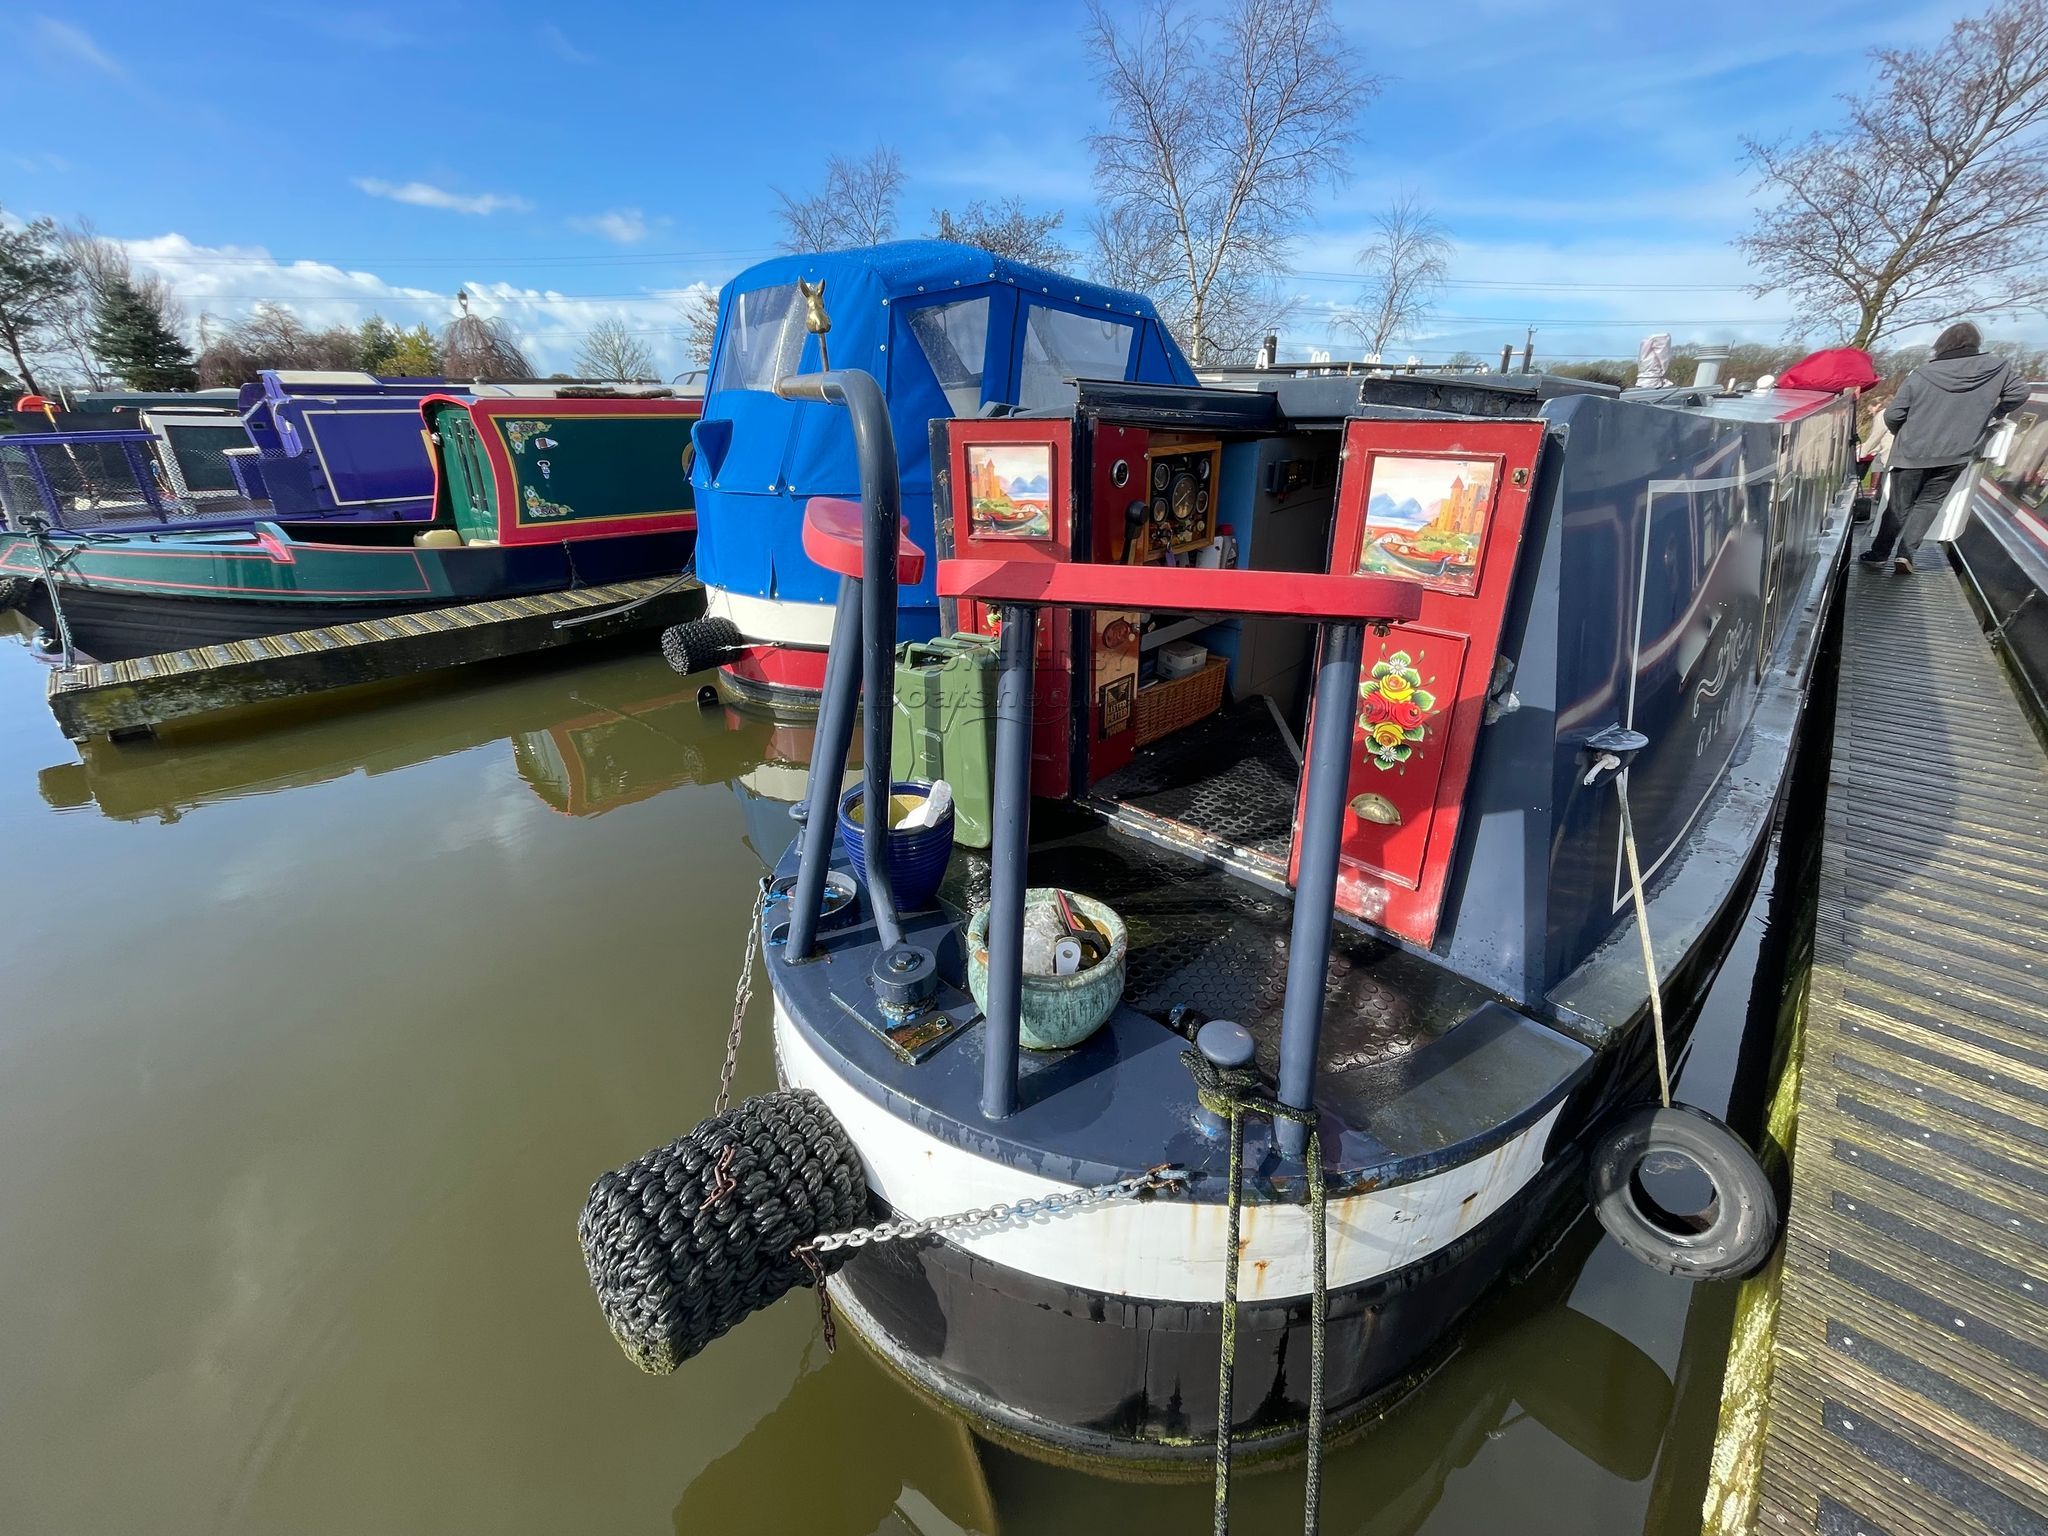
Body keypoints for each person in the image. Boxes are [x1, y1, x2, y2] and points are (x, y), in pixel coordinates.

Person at [1860, 322, 2029, 573]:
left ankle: (1879, 554)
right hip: (1957, 453)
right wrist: (1992, 415)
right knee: (1929, 503)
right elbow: (2019, 393)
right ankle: (1906, 555)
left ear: (1941, 344)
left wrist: (1902, 434)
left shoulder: (1923, 373)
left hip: (1912, 452)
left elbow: (1894, 414)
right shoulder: (1997, 368)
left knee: (1898, 505)